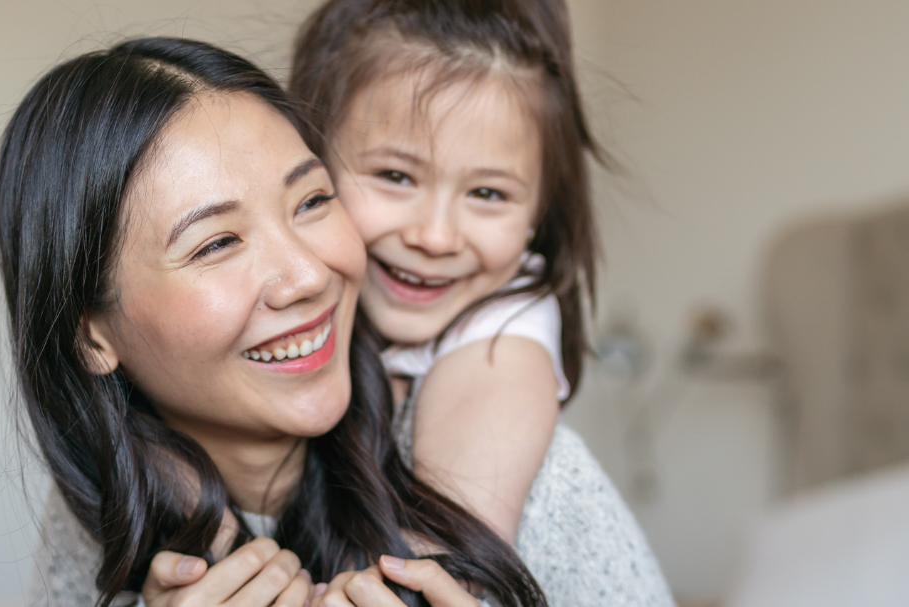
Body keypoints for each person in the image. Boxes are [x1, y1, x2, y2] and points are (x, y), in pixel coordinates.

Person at [0, 37, 546, 607]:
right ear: (90, 334)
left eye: (311, 201)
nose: (308, 276)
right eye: (216, 244)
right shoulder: (100, 518)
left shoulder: (504, 477)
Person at [286, 0, 676, 604]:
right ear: (309, 164)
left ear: (539, 214)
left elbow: (431, 570)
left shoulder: (505, 340)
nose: (436, 236)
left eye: (488, 193)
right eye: (396, 176)